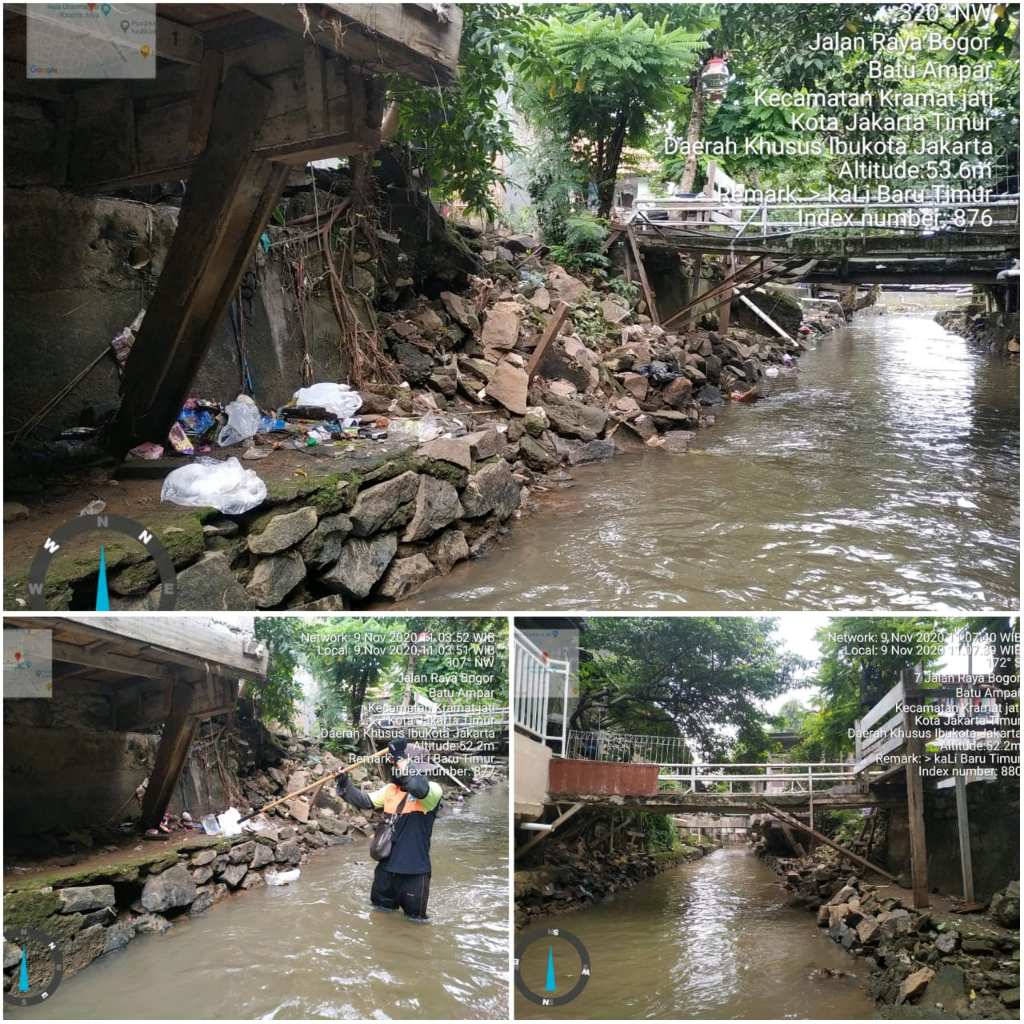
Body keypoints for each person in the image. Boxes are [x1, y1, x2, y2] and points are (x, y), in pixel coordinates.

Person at [337, 737, 443, 919]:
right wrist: (344, 783)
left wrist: (400, 755)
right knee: (379, 916)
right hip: (385, 872)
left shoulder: (432, 790)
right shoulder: (390, 790)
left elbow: (418, 787)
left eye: (399, 764)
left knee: (415, 924)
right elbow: (364, 801)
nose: (395, 769)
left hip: (414, 875)